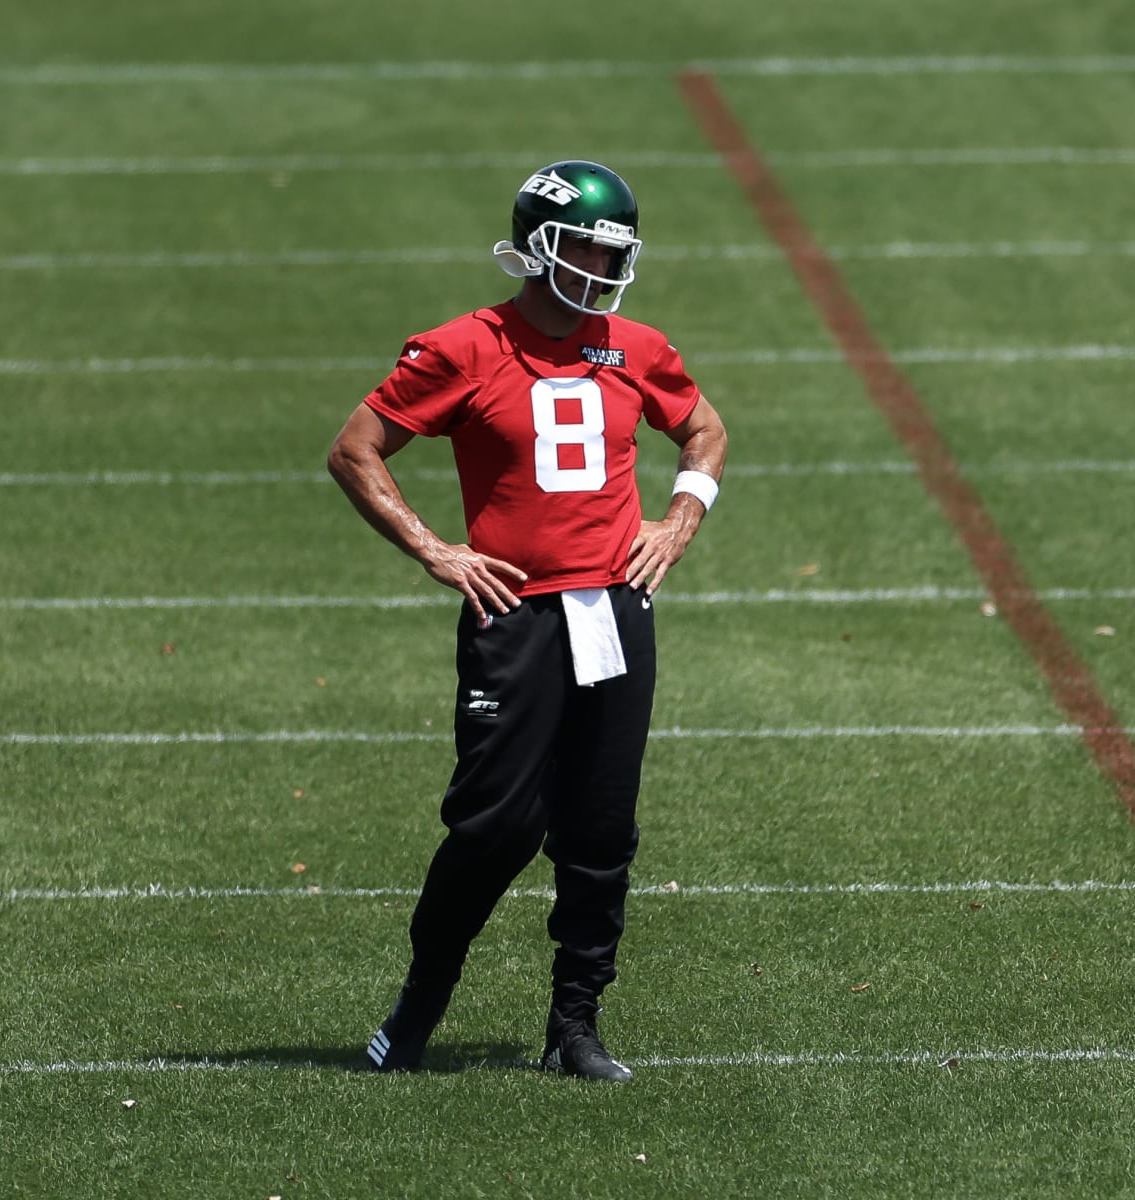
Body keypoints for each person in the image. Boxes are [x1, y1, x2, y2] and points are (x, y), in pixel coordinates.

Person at [326, 159, 728, 1082]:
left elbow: (705, 429)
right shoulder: (465, 346)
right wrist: (439, 550)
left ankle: (575, 1028)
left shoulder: (638, 345)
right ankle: (419, 1005)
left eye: (614, 249)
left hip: (617, 608)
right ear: (541, 247)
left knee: (601, 829)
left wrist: (680, 517)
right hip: (517, 612)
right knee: (494, 827)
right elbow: (356, 450)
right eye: (590, 245)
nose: (603, 265)